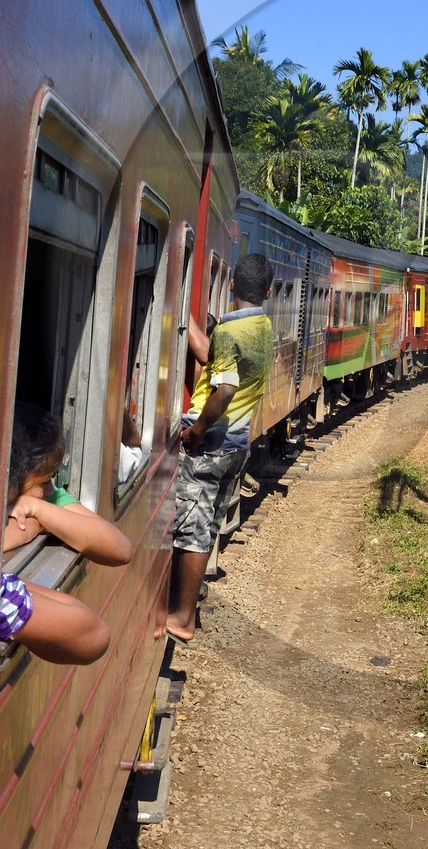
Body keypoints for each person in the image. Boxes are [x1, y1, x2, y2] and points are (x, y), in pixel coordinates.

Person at [165, 252, 273, 645]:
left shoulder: (229, 332)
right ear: (268, 291)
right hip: (237, 443)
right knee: (207, 524)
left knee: (191, 529)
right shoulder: (262, 327)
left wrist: (197, 429)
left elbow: (223, 388)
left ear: (230, 286)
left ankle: (182, 618)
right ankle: (183, 606)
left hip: (209, 441)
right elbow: (213, 359)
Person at [3, 402, 131, 566]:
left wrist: (38, 510)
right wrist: (38, 523)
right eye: (43, 482)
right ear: (12, 480)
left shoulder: (45, 499)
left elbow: (121, 549)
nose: (50, 489)